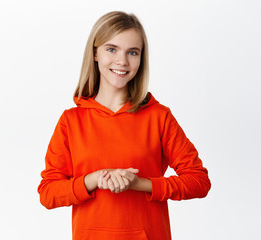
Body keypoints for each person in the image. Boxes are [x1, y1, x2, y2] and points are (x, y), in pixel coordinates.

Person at [37, 10, 211, 240]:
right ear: (95, 53)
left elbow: (199, 181)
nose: (122, 61)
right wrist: (93, 180)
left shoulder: (159, 117)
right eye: (112, 49)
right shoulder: (71, 121)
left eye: (132, 52)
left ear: (141, 58)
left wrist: (140, 184)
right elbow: (48, 193)